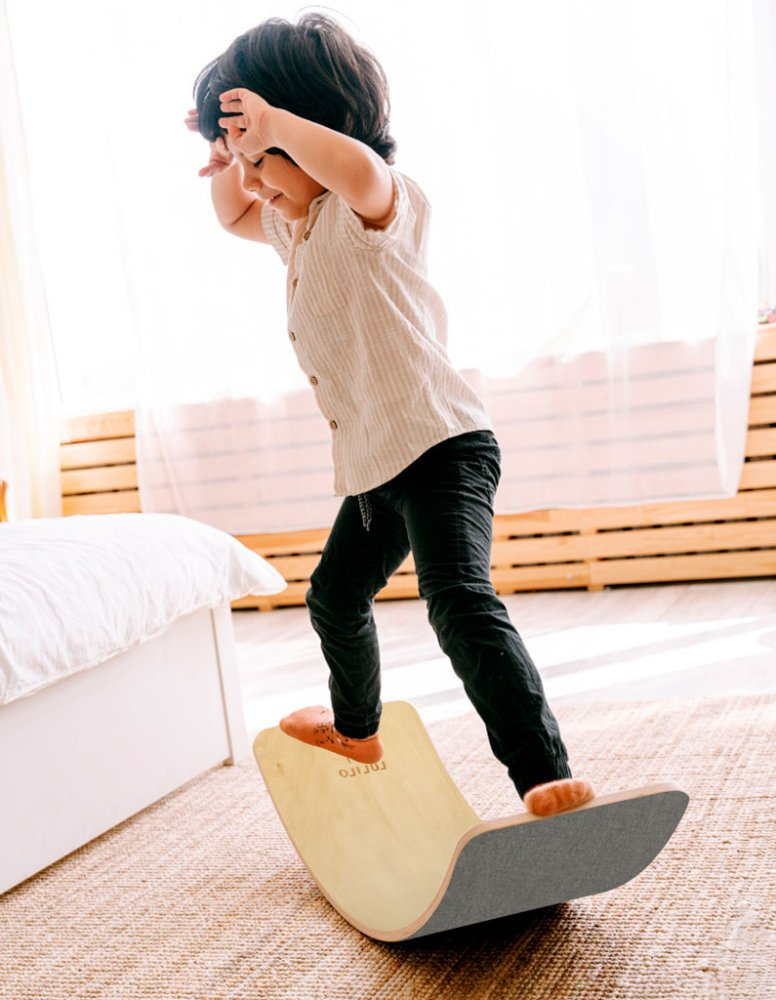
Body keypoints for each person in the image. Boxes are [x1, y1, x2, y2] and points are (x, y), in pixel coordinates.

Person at [187, 13, 595, 818]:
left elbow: (355, 167)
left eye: (265, 160)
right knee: (334, 597)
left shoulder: (375, 204)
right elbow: (233, 216)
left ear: (314, 130)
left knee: (459, 601)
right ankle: (357, 731)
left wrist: (276, 128)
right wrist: (232, 154)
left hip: (442, 446)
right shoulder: (297, 226)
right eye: (246, 163)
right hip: (378, 465)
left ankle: (544, 774)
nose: (256, 184)